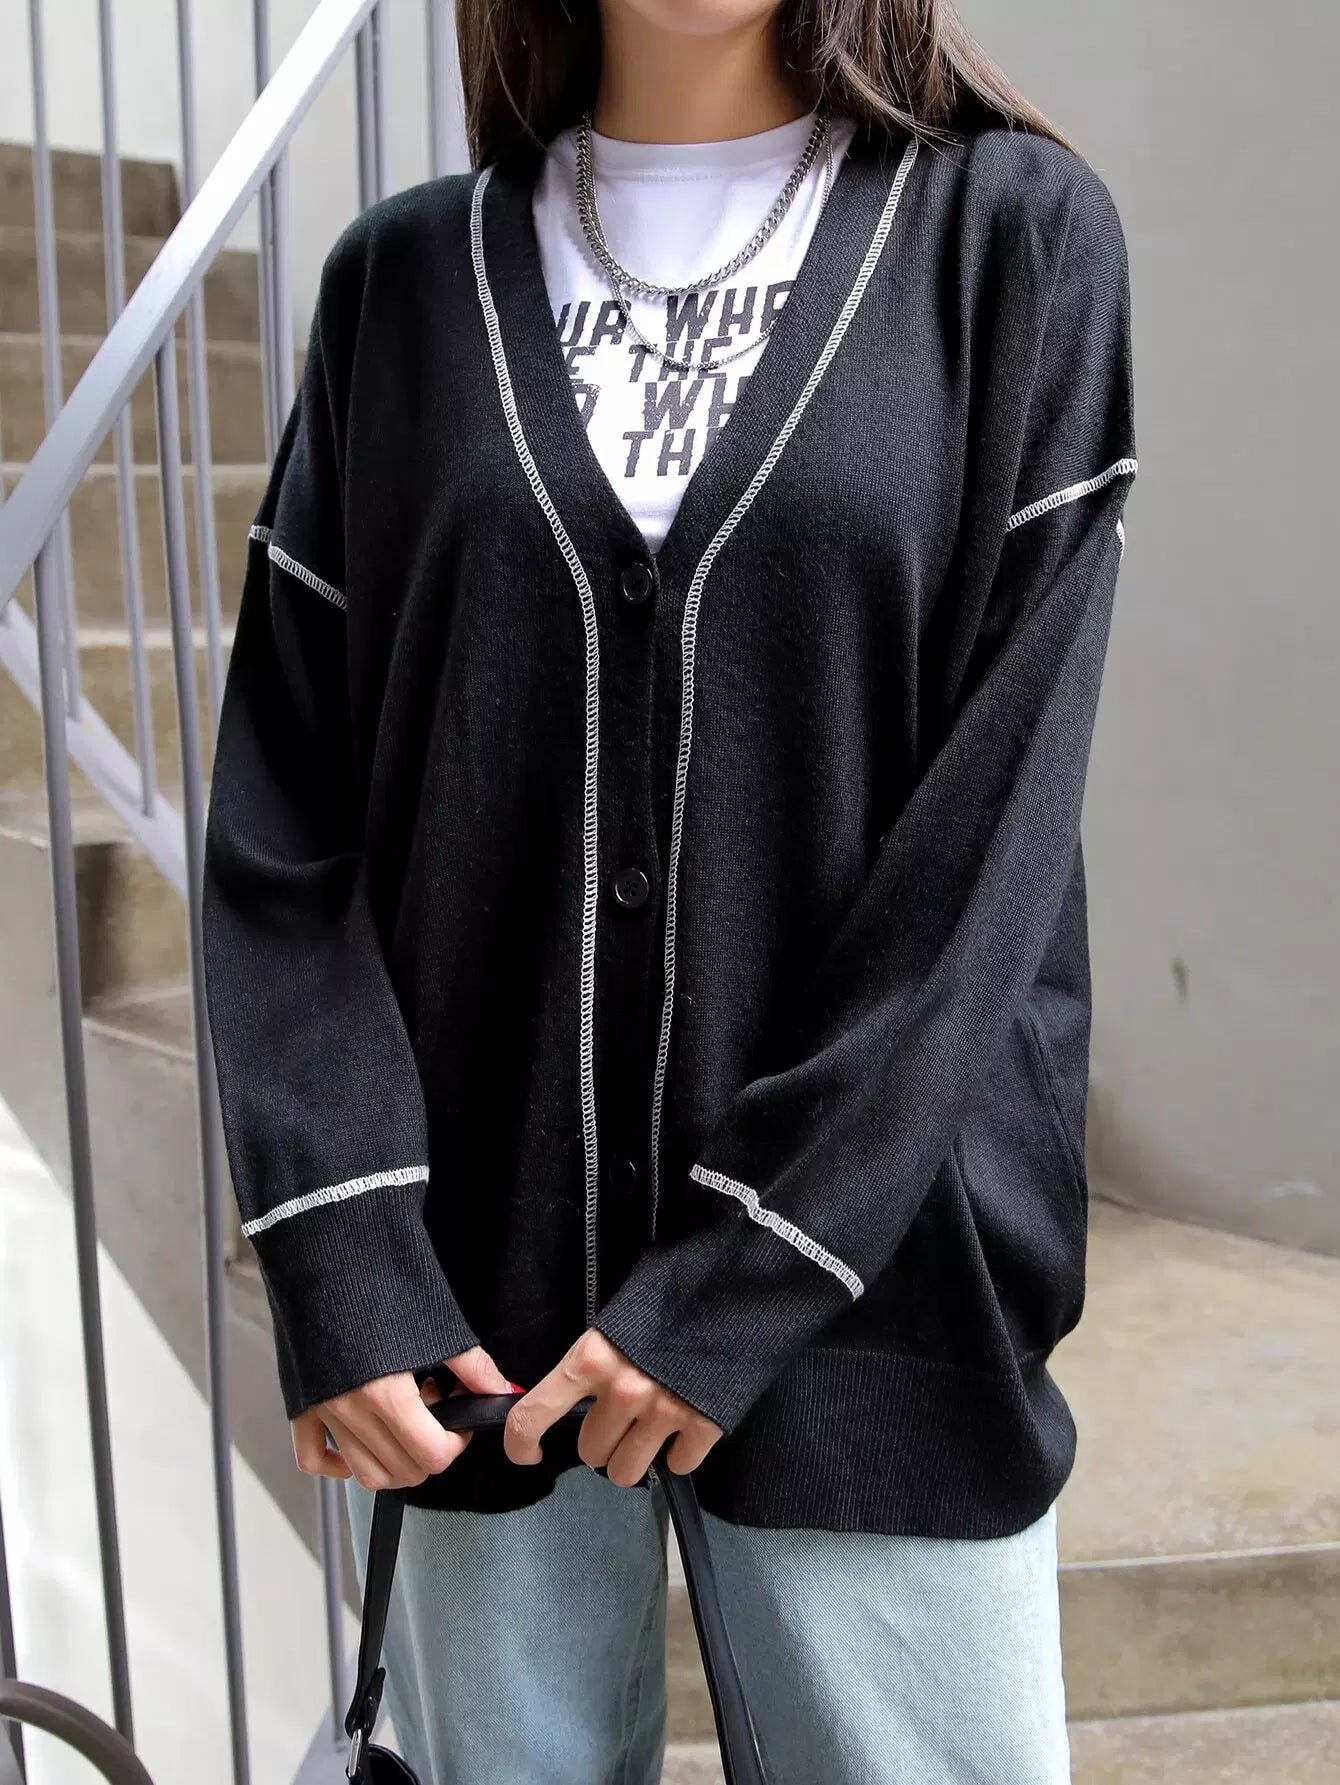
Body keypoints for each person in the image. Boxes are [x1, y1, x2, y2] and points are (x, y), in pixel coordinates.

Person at [202, 0, 1136, 1778]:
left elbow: (992, 841)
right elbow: (286, 817)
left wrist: (757, 1255)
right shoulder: (402, 286)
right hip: (479, 1326)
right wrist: (343, 1250)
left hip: (876, 1291)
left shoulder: (1010, 239)